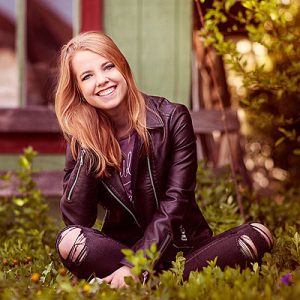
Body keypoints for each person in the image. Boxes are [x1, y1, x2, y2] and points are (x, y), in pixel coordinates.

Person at [55, 31, 273, 289]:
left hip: (183, 249)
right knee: (69, 240)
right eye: (87, 76)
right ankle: (162, 284)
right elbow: (77, 219)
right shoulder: (83, 138)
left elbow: (176, 200)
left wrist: (138, 264)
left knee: (259, 234)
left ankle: (136, 282)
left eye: (108, 66)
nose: (101, 80)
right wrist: (86, 144)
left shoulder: (172, 119)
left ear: (123, 67)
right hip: (122, 250)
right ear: (79, 91)